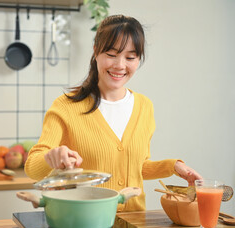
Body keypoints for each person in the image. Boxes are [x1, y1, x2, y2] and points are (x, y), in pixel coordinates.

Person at [24, 14, 202, 211]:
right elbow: (32, 168)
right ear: (96, 52)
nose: (120, 65)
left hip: (135, 225)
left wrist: (173, 167)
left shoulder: (144, 106)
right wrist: (51, 157)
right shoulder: (66, 106)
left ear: (138, 59)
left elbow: (136, 167)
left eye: (130, 57)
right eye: (111, 54)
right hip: (82, 222)